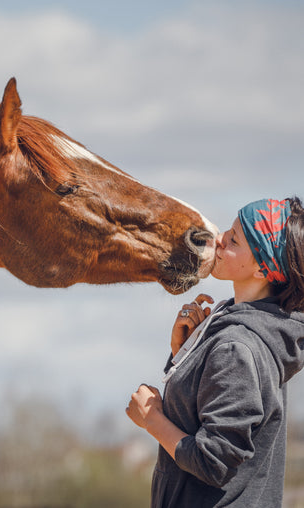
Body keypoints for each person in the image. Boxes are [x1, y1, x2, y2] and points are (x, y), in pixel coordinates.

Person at [126, 197, 304, 507]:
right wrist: (185, 353)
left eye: (233, 239)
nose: (218, 239)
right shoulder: (250, 329)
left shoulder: (237, 347)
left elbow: (213, 461)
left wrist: (151, 418)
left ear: (264, 269)